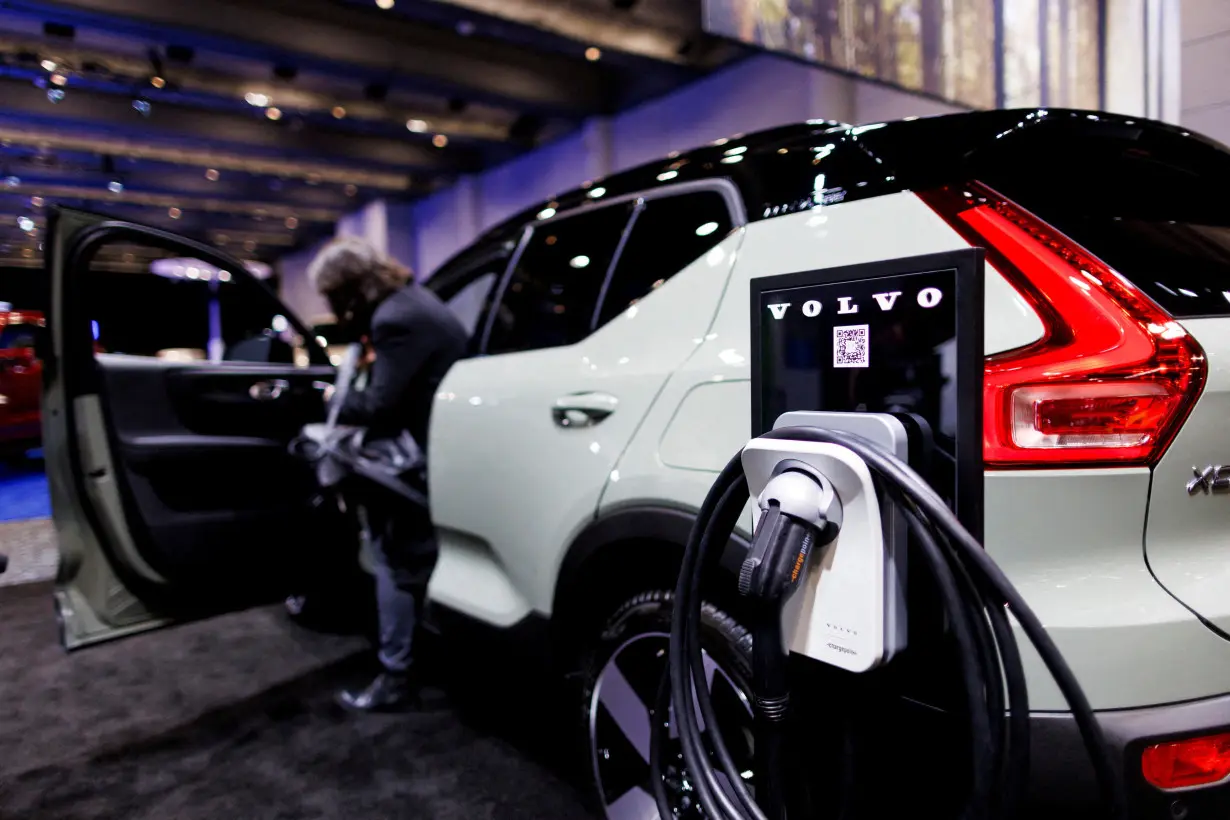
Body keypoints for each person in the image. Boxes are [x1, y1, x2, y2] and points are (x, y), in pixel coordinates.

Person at [307, 237, 468, 712]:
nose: (335, 311)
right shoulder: (416, 301)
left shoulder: (393, 319)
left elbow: (379, 406)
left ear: (351, 288)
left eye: (334, 298)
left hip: (416, 459)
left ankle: (396, 675)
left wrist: (326, 396)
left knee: (393, 562)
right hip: (444, 449)